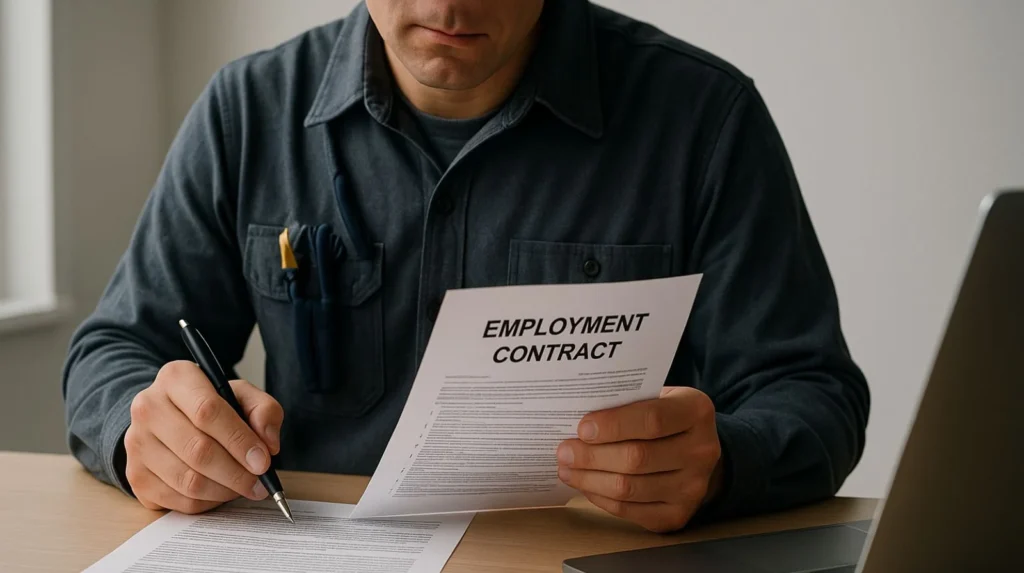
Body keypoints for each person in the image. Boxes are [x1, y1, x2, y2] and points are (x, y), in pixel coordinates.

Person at [62, 0, 869, 533]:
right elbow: (111, 352)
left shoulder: (703, 120)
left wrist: (724, 461)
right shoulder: (249, 110)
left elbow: (814, 393)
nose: (450, 6)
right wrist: (144, 424)